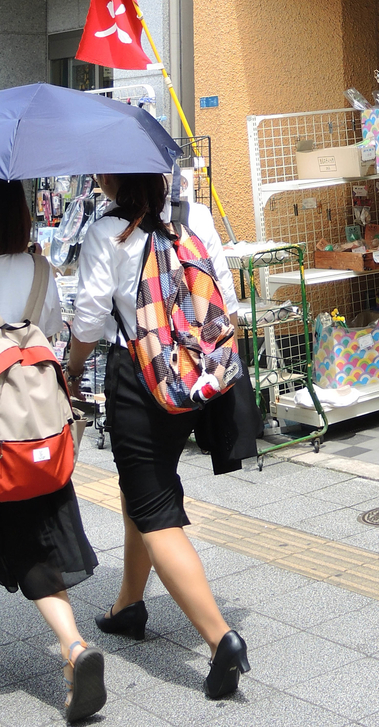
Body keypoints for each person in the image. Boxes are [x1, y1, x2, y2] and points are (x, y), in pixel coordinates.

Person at [65, 172, 250, 699]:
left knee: (155, 509)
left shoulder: (108, 234)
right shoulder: (193, 220)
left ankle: (220, 641)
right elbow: (225, 303)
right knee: (142, 486)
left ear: (112, 178)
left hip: (139, 381)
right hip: (194, 379)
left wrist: (74, 370)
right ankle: (128, 604)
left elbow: (90, 319)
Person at [0, 180, 106, 723]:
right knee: (35, 547)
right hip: (30, 437)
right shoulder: (39, 271)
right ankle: (73, 648)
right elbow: (47, 341)